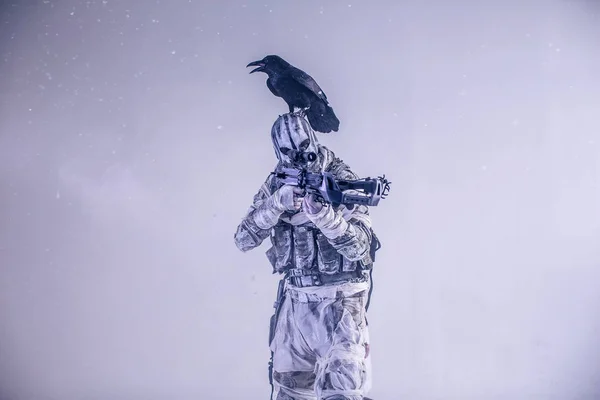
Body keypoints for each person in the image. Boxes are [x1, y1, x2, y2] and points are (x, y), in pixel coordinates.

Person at [234, 112, 380, 400]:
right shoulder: (278, 181)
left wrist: (325, 217)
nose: (299, 159)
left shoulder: (340, 180)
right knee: (289, 393)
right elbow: (243, 239)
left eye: (303, 148)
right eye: (289, 152)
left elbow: (361, 248)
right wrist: (275, 205)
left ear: (313, 140)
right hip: (296, 305)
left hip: (341, 304)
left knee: (343, 391)